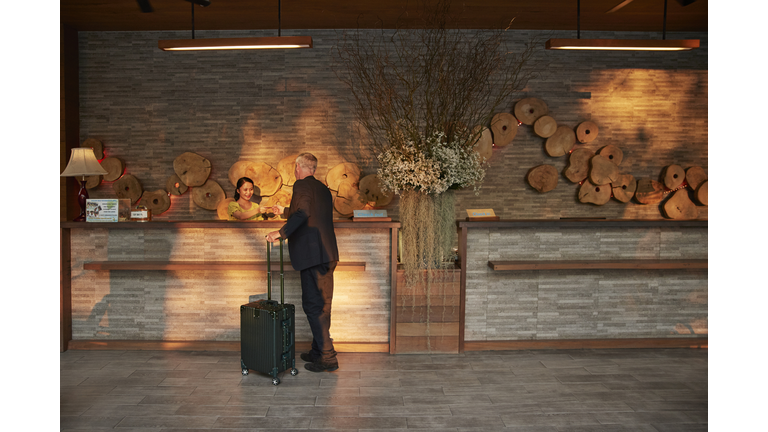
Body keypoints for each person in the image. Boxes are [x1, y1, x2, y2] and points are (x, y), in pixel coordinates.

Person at [266, 153, 340, 372]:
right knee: (323, 305)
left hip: (312, 255)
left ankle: (328, 357)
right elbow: (311, 214)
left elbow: (304, 212)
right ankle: (318, 350)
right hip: (327, 254)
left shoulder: (300, 185)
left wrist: (281, 232)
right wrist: (286, 212)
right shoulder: (323, 189)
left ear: (297, 167)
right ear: (313, 169)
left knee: (313, 306)